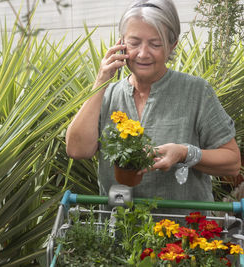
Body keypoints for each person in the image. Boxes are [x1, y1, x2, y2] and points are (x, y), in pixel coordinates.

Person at [65, 0, 241, 206]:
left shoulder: (196, 92)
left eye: (155, 44)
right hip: (118, 231)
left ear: (172, 45)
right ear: (121, 43)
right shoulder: (107, 94)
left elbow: (232, 162)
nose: (143, 53)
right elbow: (77, 150)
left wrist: (185, 153)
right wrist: (101, 82)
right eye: (134, 42)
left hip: (183, 233)